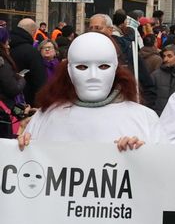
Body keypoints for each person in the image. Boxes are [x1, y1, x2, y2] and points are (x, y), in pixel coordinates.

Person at [17, 32, 161, 150]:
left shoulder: (144, 119)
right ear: (69, 70)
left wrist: (142, 155)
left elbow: (166, 173)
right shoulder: (46, 117)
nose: (93, 76)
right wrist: (25, 147)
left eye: (103, 67)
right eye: (82, 67)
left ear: (116, 68)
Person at [11, 18, 48, 106]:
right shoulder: (32, 52)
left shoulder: (5, 47)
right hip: (25, 102)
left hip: (5, 102)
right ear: (32, 32)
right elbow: (40, 81)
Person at [149, 44, 175, 115]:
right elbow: (149, 96)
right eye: (164, 56)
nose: (165, 59)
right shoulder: (155, 75)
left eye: (169, 56)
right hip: (158, 116)